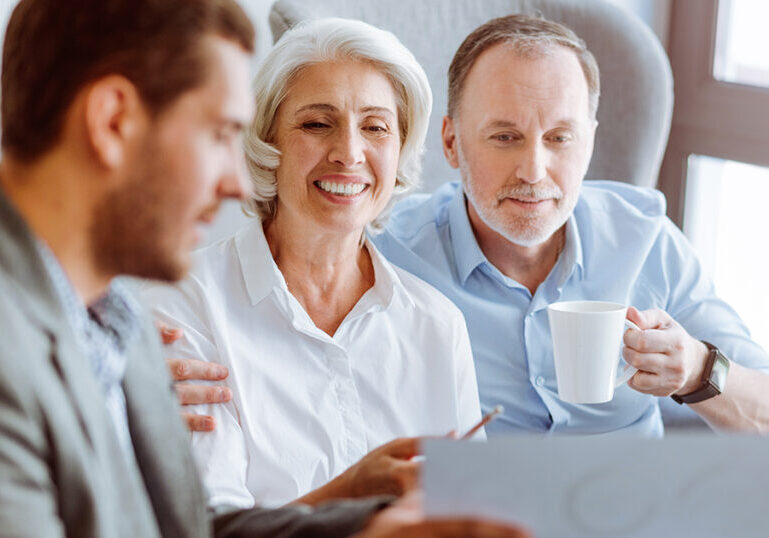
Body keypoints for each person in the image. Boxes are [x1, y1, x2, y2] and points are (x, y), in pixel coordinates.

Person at [0, 1, 528, 537]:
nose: (238, 180)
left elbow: (195, 530)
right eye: (218, 134)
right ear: (112, 121)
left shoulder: (118, 326)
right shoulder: (131, 324)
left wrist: (367, 522)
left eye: (375, 128)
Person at [178, 14, 769, 437]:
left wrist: (698, 370)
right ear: (452, 143)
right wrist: (152, 382)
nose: (535, 171)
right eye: (505, 137)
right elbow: (268, 303)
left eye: (561, 138)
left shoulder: (646, 240)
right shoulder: (384, 247)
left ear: (591, 140)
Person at [142, 17, 483, 509]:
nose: (349, 152)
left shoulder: (437, 325)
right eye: (317, 124)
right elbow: (211, 524)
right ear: (268, 141)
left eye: (375, 127)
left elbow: (469, 513)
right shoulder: (185, 303)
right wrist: (351, 496)